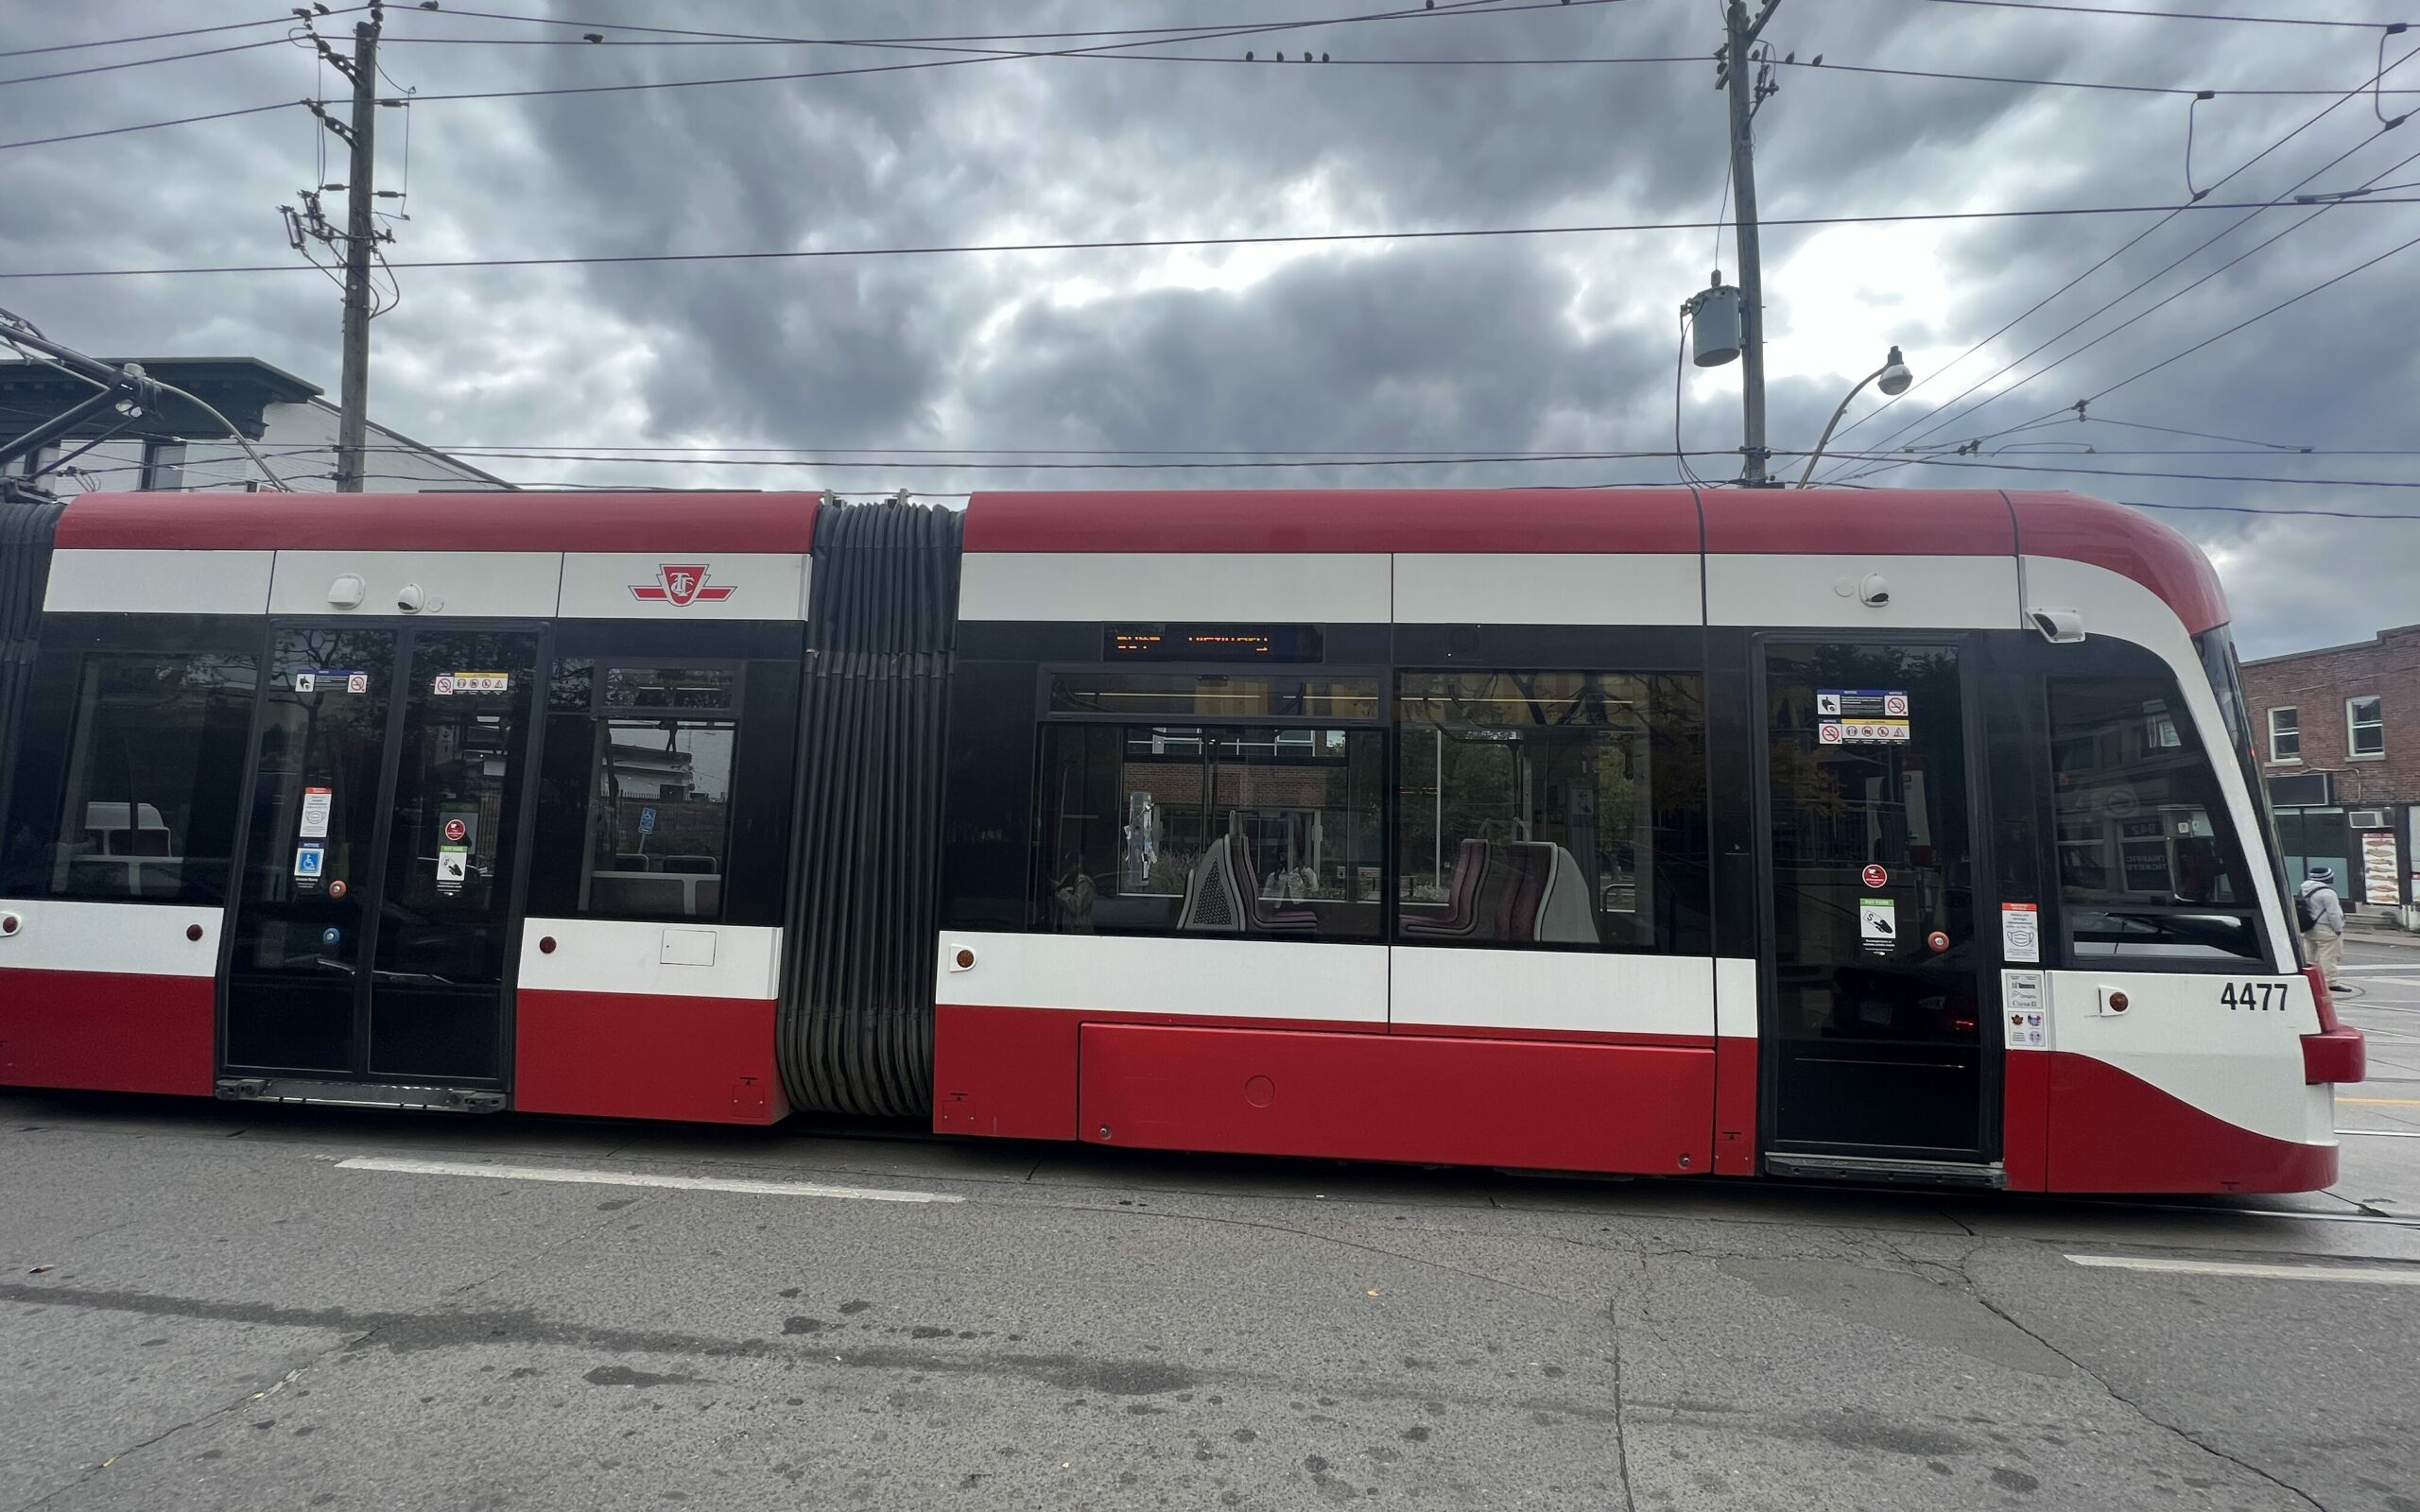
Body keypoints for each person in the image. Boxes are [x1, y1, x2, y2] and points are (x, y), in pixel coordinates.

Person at [2299, 867, 2346, 989]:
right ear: (2327, 878)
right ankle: (2330, 982)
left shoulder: (2304, 889)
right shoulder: (2328, 893)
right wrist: (2338, 929)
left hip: (2309, 926)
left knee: (2309, 955)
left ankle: (2306, 978)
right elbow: (2334, 914)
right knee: (2328, 956)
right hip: (2326, 928)